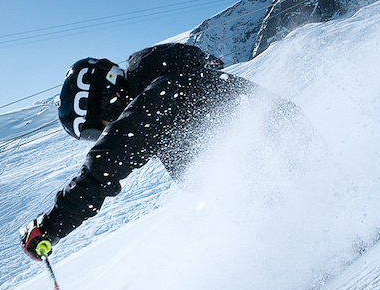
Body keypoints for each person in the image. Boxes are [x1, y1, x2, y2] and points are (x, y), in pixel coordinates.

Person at [20, 42, 306, 259]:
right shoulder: (164, 91)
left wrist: (50, 226)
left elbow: (106, 162)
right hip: (284, 170)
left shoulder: (161, 92)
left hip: (292, 163)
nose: (103, 135)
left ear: (109, 98)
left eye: (97, 129)